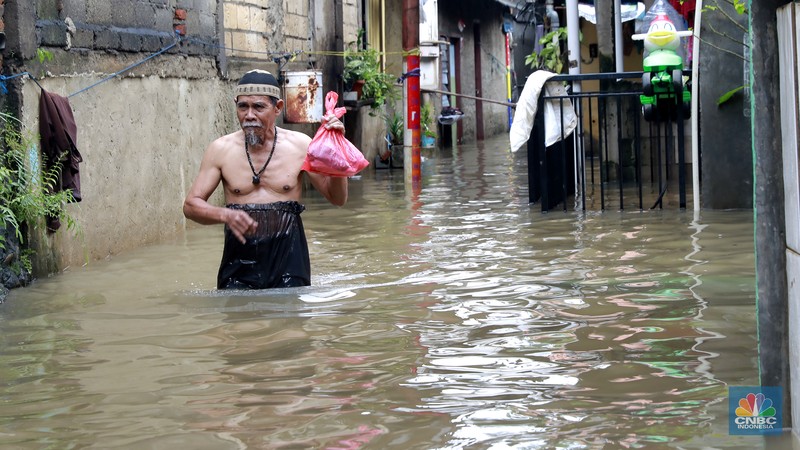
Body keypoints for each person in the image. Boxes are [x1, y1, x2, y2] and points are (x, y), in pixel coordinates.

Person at [183, 69, 348, 289]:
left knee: (289, 322)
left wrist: (338, 156)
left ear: (278, 108)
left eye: (258, 107)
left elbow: (337, 199)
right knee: (237, 321)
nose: (249, 115)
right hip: (238, 264)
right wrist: (225, 214)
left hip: (290, 262)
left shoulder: (301, 146)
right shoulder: (220, 149)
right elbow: (190, 206)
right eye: (243, 107)